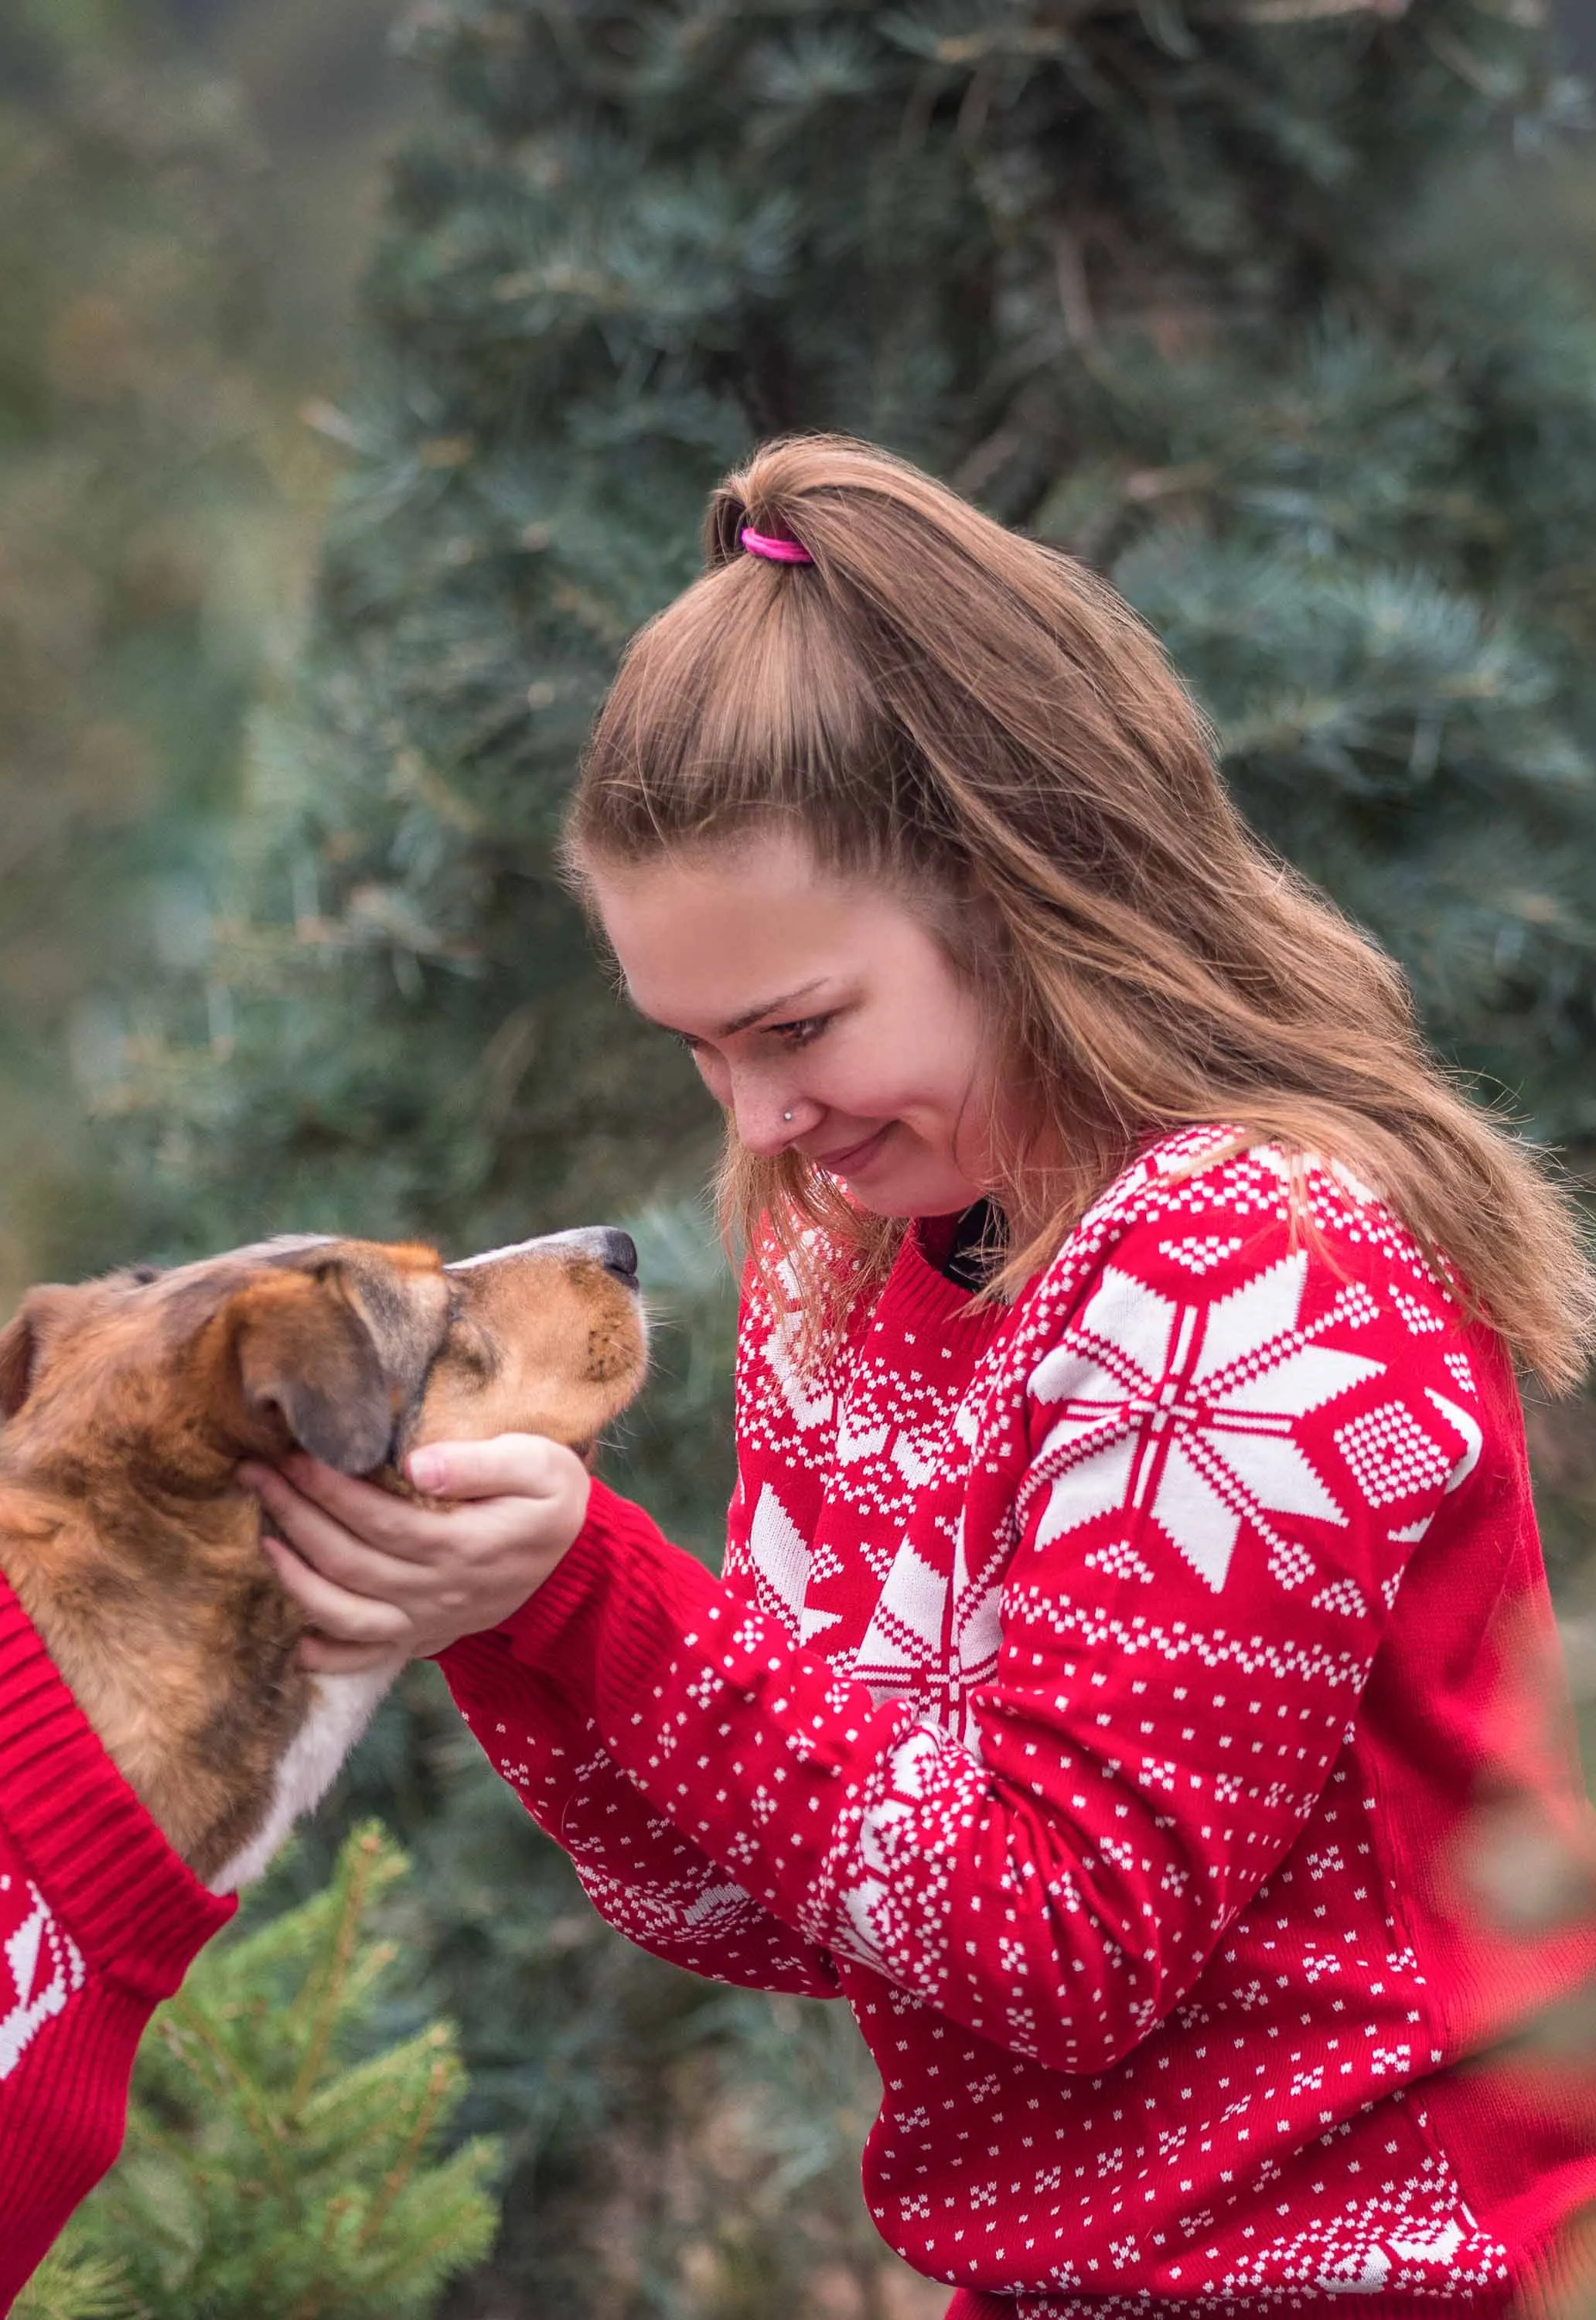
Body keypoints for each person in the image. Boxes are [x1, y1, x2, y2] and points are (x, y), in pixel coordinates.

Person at [240, 434, 1596, 2316]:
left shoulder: (1258, 1280)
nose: (765, 1119)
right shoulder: (850, 1257)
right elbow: (779, 1892)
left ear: (1016, 880)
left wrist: (599, 1596)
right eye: (701, 1050)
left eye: (796, 1026)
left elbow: (1063, 1943)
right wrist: (510, 1614)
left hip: (1399, 2273)